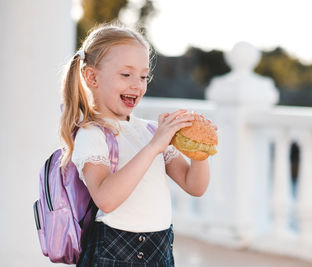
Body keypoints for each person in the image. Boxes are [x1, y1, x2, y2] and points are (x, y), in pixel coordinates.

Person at [59, 23, 213, 267]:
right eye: (126, 75)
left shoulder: (150, 130)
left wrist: (200, 148)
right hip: (113, 253)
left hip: (160, 251)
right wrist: (154, 147)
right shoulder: (93, 133)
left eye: (143, 76)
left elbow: (194, 186)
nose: (137, 84)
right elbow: (106, 199)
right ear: (92, 77)